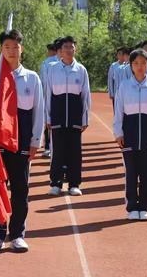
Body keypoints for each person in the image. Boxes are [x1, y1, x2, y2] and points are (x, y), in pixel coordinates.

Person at [0, 29, 44, 253]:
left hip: (22, 141)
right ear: (1, 50)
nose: (12, 51)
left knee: (20, 189)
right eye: (7, 47)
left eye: (15, 47)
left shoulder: (32, 78)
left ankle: (17, 234)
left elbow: (38, 111)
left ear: (21, 48)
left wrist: (36, 140)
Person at [113, 48, 147, 221]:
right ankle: (132, 207)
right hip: (129, 135)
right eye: (136, 63)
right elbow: (118, 111)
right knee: (131, 173)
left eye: (143, 63)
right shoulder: (124, 86)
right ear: (131, 66)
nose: (140, 66)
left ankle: (145, 207)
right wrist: (118, 132)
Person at [45, 36, 91, 197]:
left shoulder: (81, 70)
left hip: (75, 117)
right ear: (60, 51)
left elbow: (86, 96)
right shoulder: (53, 69)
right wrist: (48, 117)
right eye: (66, 47)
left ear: (75, 49)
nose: (69, 50)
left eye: (71, 47)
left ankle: (74, 183)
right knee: (57, 151)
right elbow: (48, 94)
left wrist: (85, 118)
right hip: (57, 116)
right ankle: (56, 182)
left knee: (74, 152)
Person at [39, 42, 60, 158]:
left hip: (50, 96)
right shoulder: (48, 63)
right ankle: (50, 146)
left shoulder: (47, 63)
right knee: (50, 121)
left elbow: (43, 81)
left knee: (49, 121)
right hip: (53, 96)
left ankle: (48, 147)